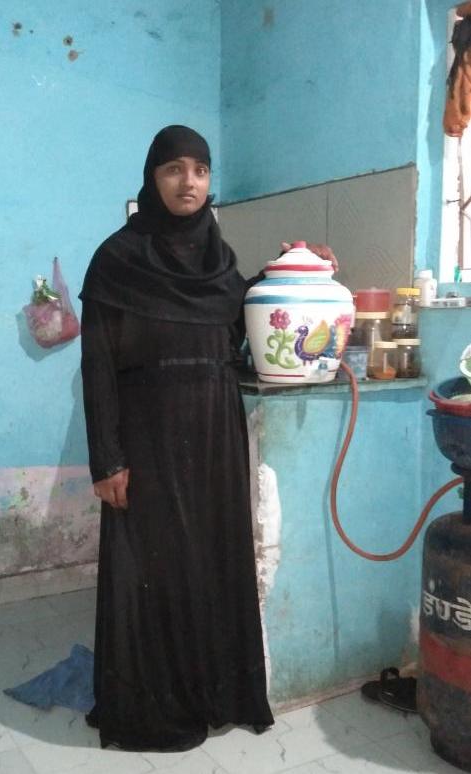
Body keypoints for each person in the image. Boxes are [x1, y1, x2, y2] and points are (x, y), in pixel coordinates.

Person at [79, 125, 335, 752]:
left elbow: (237, 318)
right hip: (147, 432)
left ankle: (213, 693)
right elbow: (98, 366)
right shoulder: (117, 259)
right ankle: (155, 705)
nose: (188, 181)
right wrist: (106, 459)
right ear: (152, 178)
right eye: (174, 169)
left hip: (216, 428)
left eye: (199, 169)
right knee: (154, 564)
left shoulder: (219, 261)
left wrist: (290, 270)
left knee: (212, 559)